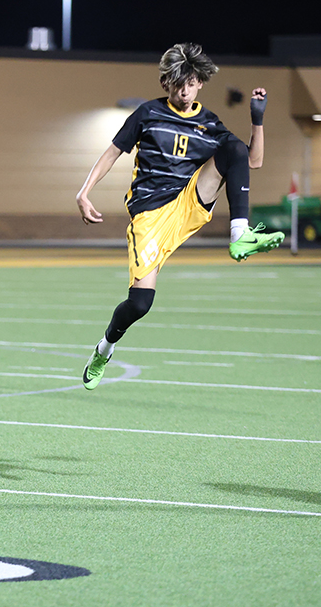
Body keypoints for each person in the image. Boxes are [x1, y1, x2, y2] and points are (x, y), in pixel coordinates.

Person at [76, 42, 284, 390]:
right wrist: (84, 192)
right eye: (177, 83)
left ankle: (239, 235)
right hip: (149, 216)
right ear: (165, 83)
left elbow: (252, 161)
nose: (184, 90)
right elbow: (112, 152)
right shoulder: (148, 113)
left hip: (187, 203)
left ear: (200, 82)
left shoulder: (209, 122)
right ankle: (104, 348)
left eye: (190, 83)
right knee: (140, 304)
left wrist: (257, 118)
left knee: (233, 148)